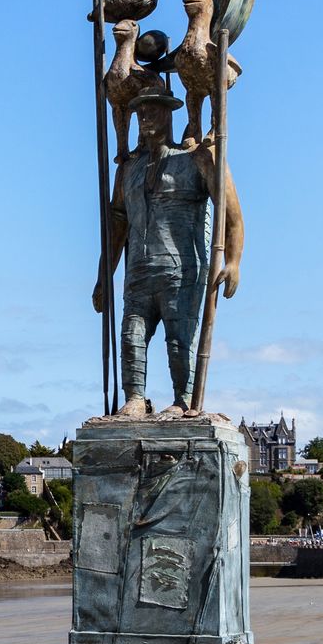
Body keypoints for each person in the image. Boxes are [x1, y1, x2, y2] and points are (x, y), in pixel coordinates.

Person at [93, 88, 244, 416]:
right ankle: (134, 398)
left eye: (154, 110)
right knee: (132, 336)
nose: (146, 117)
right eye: (140, 112)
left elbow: (230, 212)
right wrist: (103, 277)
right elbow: (116, 227)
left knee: (180, 341)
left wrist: (233, 261)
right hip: (138, 271)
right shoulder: (128, 169)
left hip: (183, 269)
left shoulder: (196, 159)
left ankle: (183, 399)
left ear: (170, 114)